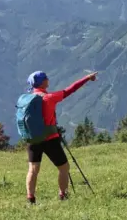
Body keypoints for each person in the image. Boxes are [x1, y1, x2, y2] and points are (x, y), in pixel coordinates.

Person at [24, 70, 97, 204]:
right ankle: (63, 195)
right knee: (64, 168)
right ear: (43, 82)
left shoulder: (26, 99)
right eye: (46, 78)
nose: (48, 79)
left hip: (32, 139)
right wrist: (87, 78)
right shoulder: (49, 97)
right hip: (50, 138)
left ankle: (31, 198)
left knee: (33, 170)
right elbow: (70, 90)